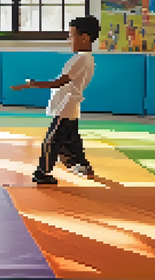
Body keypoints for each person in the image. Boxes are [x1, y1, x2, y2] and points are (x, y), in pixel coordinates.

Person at [10, 16, 100, 185]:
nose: (69, 40)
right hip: (71, 105)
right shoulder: (87, 59)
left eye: (71, 36)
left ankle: (42, 172)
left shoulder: (80, 59)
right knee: (71, 138)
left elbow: (59, 82)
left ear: (85, 38)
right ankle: (81, 164)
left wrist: (33, 84)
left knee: (53, 139)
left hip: (66, 105)